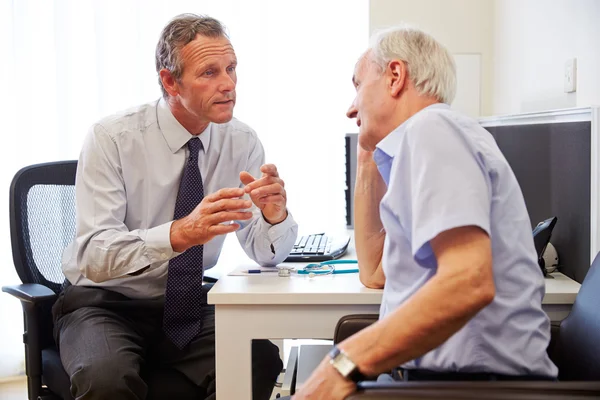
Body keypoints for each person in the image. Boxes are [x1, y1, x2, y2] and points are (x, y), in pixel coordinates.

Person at [292, 26, 557, 399]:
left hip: (469, 388)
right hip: (438, 379)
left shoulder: (433, 130)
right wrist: (368, 158)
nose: (351, 107)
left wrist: (344, 362)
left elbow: (469, 282)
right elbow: (374, 274)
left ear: (395, 77)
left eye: (357, 86)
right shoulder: (425, 141)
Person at [52, 13, 298, 400]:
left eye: (232, 69)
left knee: (260, 359)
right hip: (106, 303)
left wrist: (274, 216)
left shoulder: (242, 142)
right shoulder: (112, 138)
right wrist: (180, 233)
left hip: (188, 304)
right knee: (108, 379)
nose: (229, 84)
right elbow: (95, 255)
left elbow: (267, 255)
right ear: (170, 81)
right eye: (210, 72)